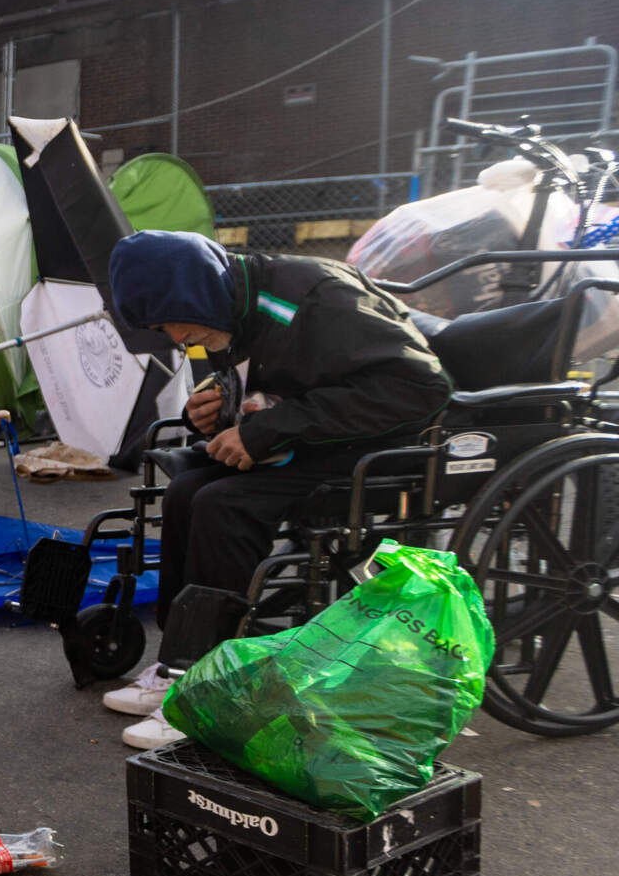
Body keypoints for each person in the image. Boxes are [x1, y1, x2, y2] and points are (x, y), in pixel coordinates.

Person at [100, 229, 452, 749]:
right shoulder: (229, 301)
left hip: (378, 448)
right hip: (310, 439)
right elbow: (284, 383)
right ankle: (179, 663)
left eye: (171, 320)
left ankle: (210, 685)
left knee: (223, 503)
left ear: (192, 292)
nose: (177, 338)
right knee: (185, 492)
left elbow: (420, 387)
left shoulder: (316, 295)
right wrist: (220, 408)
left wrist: (263, 429)